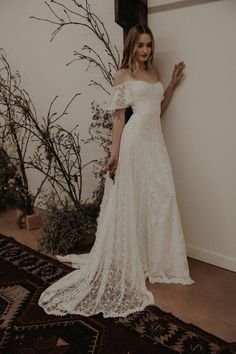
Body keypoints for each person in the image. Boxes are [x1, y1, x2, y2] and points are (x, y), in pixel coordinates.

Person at [38, 24, 194, 318]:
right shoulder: (122, 75)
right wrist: (115, 153)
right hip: (134, 143)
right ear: (131, 46)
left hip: (155, 142)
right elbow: (120, 118)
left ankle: (157, 260)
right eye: (140, 46)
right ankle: (132, 259)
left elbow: (156, 109)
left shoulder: (155, 73)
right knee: (133, 199)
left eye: (149, 45)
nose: (146, 51)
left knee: (161, 198)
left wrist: (171, 84)